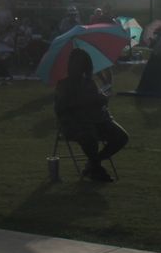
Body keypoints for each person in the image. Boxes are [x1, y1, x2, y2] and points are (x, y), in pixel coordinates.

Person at [54, 48, 129, 182]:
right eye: (76, 65)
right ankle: (95, 168)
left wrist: (101, 100)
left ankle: (93, 163)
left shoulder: (89, 82)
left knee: (121, 137)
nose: (79, 69)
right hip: (74, 124)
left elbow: (96, 105)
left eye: (82, 66)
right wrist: (87, 102)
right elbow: (61, 109)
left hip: (96, 120)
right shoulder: (64, 84)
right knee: (89, 136)